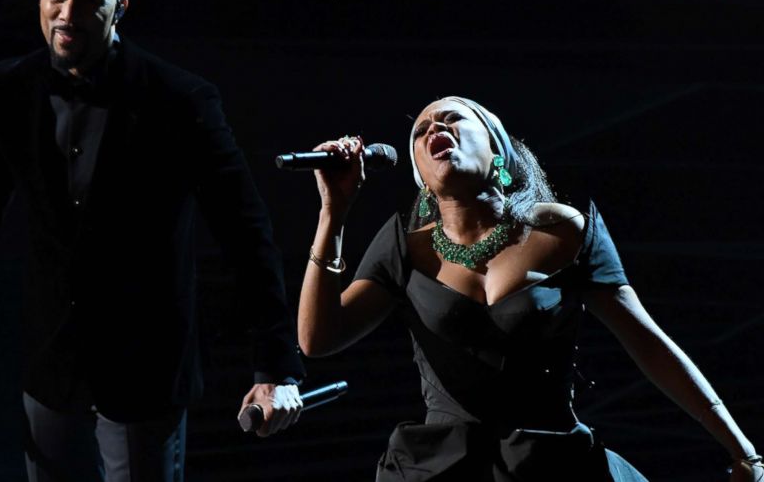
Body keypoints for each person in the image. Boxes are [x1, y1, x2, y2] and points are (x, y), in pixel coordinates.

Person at [0, 0, 304, 482]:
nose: (67, 14)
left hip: (145, 370)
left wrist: (276, 366)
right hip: (51, 365)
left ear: (119, 8)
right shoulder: (10, 89)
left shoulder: (182, 101)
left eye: (87, 0)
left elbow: (246, 235)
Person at [297, 96, 761, 481]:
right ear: (421, 177)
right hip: (440, 468)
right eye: (421, 130)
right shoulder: (406, 246)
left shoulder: (563, 232)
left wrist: (741, 449)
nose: (435, 125)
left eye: (454, 117)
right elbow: (317, 339)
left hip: (555, 465)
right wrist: (332, 212)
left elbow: (649, 344)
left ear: (498, 149)